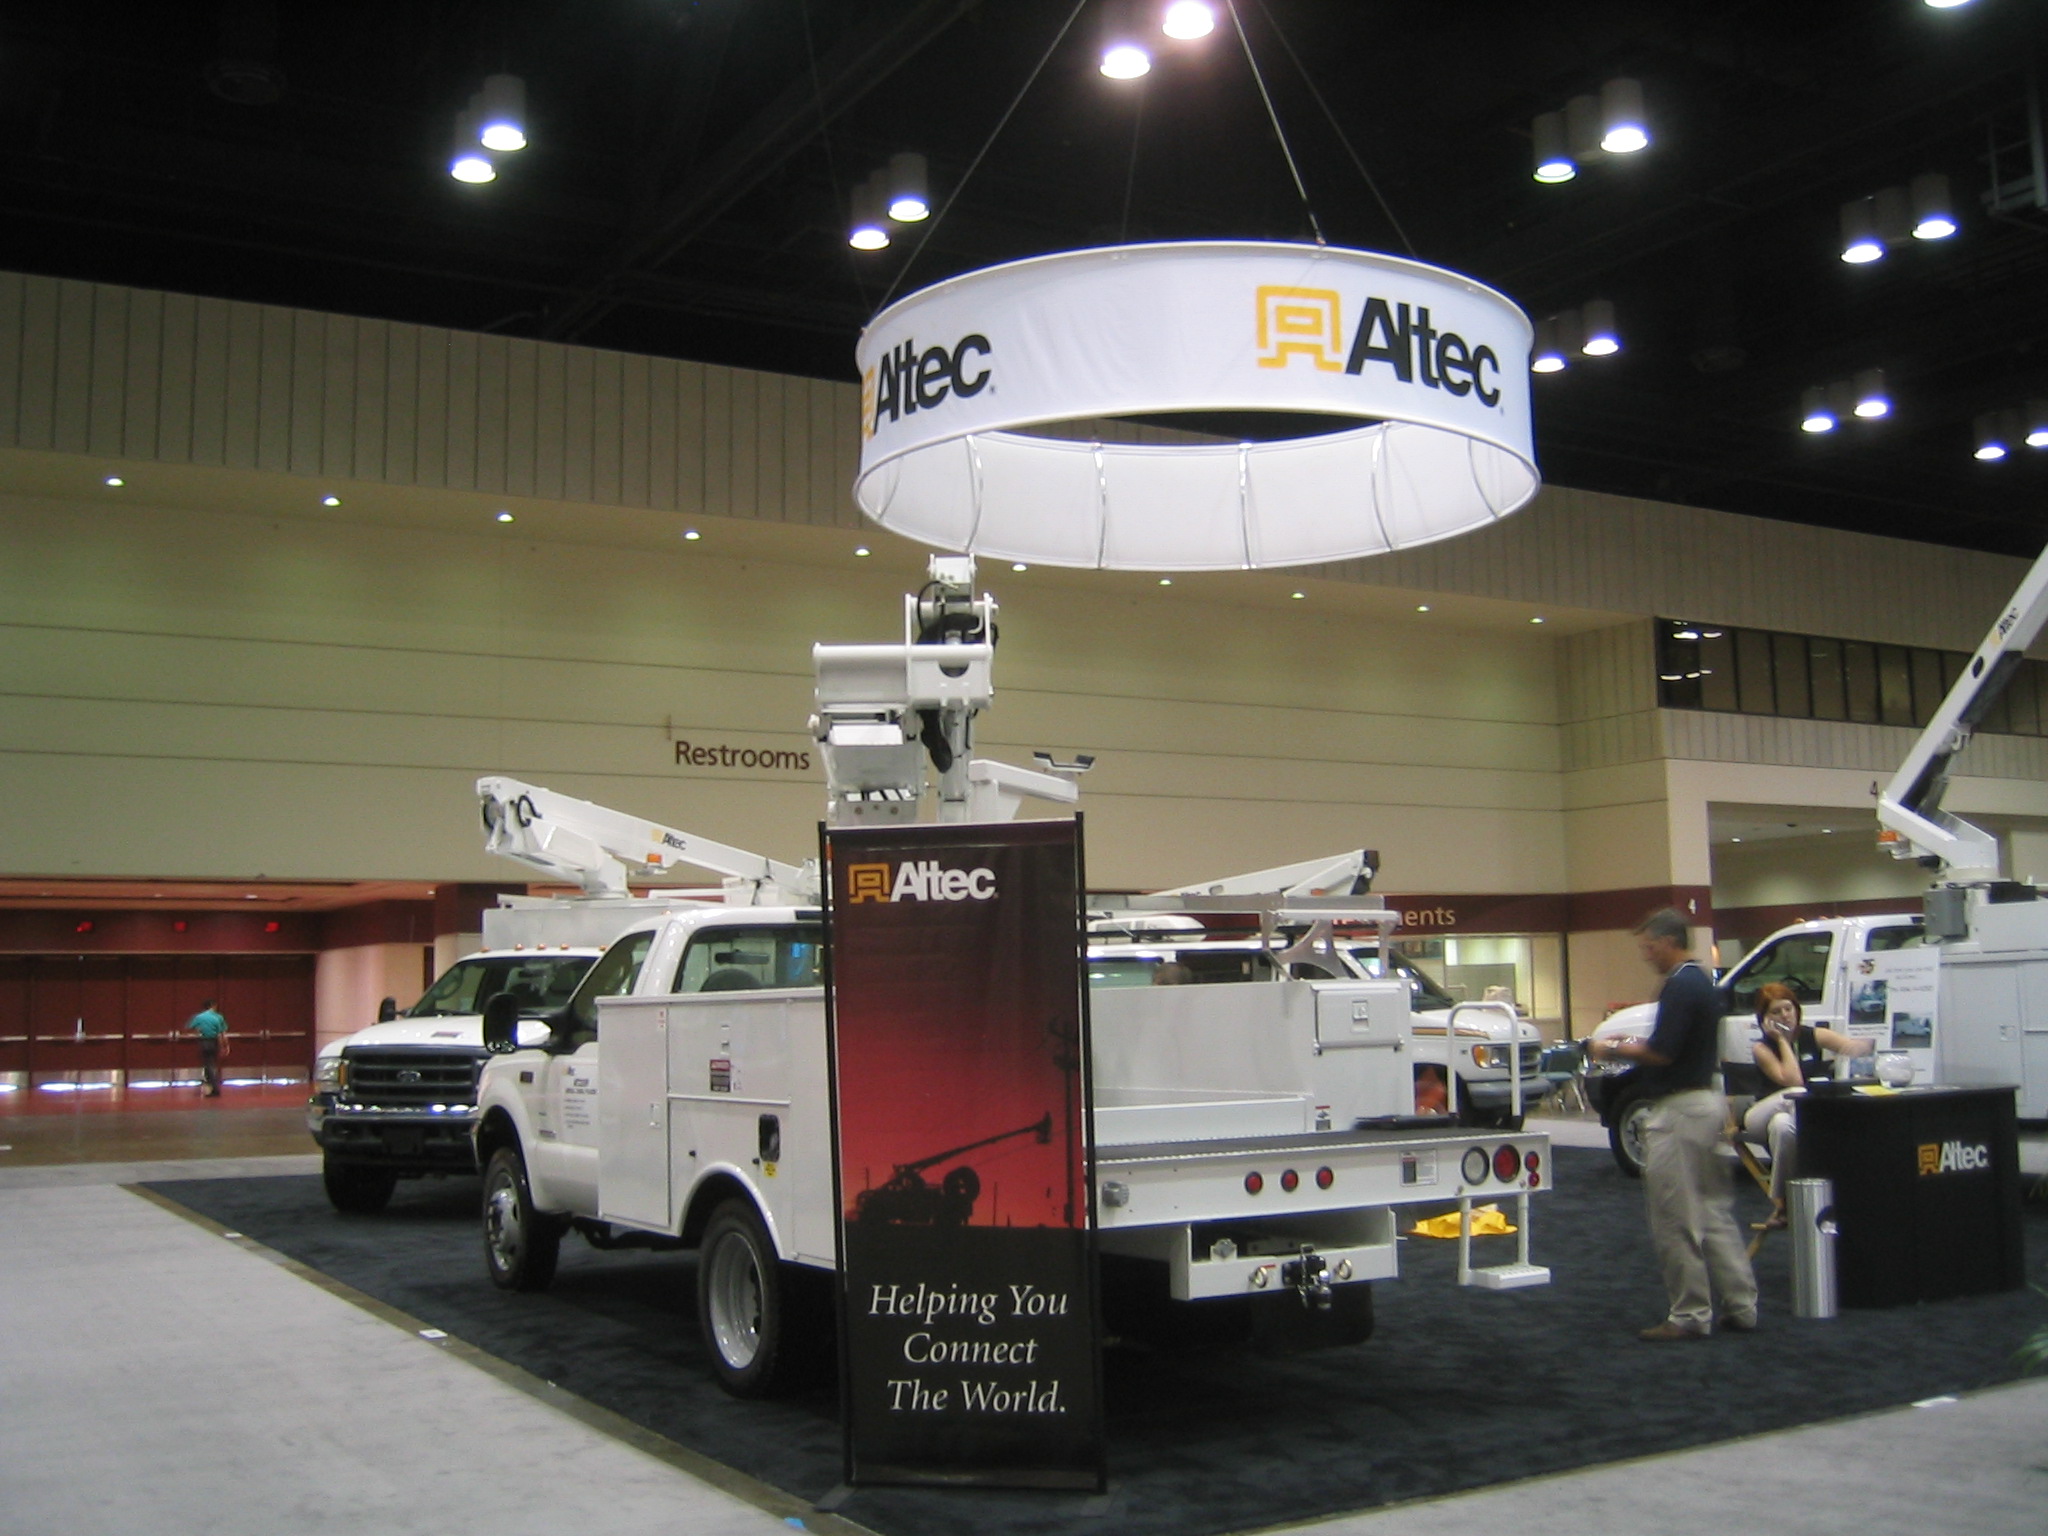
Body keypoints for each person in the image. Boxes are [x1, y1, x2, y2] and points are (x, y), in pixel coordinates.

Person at [1585, 908, 1758, 1341]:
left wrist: (1612, 1048)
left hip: (1679, 1112)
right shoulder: (1703, 982)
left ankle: (1690, 1313)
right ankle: (1742, 1304)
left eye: (1648, 946)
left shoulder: (1680, 985)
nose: (1645, 955)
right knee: (1714, 1212)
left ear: (1667, 941)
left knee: (1673, 1216)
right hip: (1706, 1104)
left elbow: (1662, 1052)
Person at [1740, 982, 1874, 1230]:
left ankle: (1782, 1205)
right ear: (1765, 1019)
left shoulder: (1812, 1035)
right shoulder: (1761, 1048)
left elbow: (1852, 1047)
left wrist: (1870, 1043)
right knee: (1799, 1093)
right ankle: (1815, 1129)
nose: (1785, 1016)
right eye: (1776, 1012)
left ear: (1797, 1009)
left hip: (1788, 1119)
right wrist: (1782, 1040)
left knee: (1783, 1127)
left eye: (1788, 1009)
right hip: (1762, 1114)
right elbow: (1793, 1080)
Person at [185, 999, 228, 1097]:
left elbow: (189, 1028)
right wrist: (225, 1046)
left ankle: (213, 1087)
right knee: (211, 1064)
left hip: (204, 1042)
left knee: (208, 1064)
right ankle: (213, 1086)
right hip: (214, 1042)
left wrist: (199, 1031)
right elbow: (222, 1034)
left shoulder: (198, 1017)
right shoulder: (218, 1017)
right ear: (213, 1006)